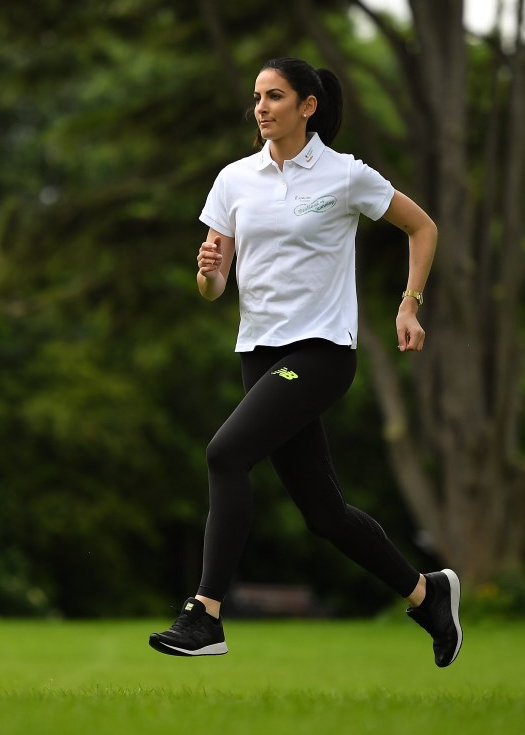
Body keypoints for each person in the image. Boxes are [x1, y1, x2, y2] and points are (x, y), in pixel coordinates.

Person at [148, 57, 461, 668]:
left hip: (320, 353)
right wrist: (209, 274)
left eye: (275, 96)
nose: (261, 107)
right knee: (324, 515)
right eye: (257, 97)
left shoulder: (346, 176)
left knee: (225, 453)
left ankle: (205, 613)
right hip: (257, 353)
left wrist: (409, 304)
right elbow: (213, 289)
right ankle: (429, 594)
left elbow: (421, 227)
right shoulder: (234, 180)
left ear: (307, 106)